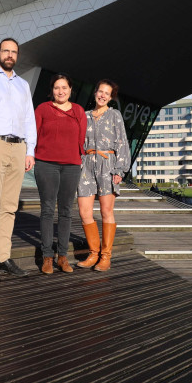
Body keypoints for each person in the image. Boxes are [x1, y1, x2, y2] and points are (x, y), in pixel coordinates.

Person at [0, 38, 37, 280]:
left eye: (13, 52)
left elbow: (29, 118)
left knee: (9, 207)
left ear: (17, 56)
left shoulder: (23, 84)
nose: (9, 55)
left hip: (18, 146)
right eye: (6, 51)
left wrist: (30, 150)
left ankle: (3, 256)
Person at [34, 74, 86, 274]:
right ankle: (48, 256)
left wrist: (81, 159)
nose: (61, 91)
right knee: (47, 210)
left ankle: (62, 257)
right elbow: (34, 134)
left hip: (71, 166)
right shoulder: (43, 109)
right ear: (52, 90)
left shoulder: (79, 111)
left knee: (66, 211)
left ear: (70, 90)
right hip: (46, 164)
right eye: (57, 88)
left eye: (64, 88)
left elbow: (82, 138)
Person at [76, 79, 131, 272]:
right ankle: (93, 253)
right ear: (95, 93)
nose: (102, 95)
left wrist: (120, 169)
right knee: (84, 212)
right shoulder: (84, 115)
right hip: (87, 164)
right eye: (100, 91)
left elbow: (123, 142)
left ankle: (105, 256)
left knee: (106, 211)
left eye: (106, 93)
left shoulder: (115, 115)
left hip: (108, 164)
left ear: (111, 97)